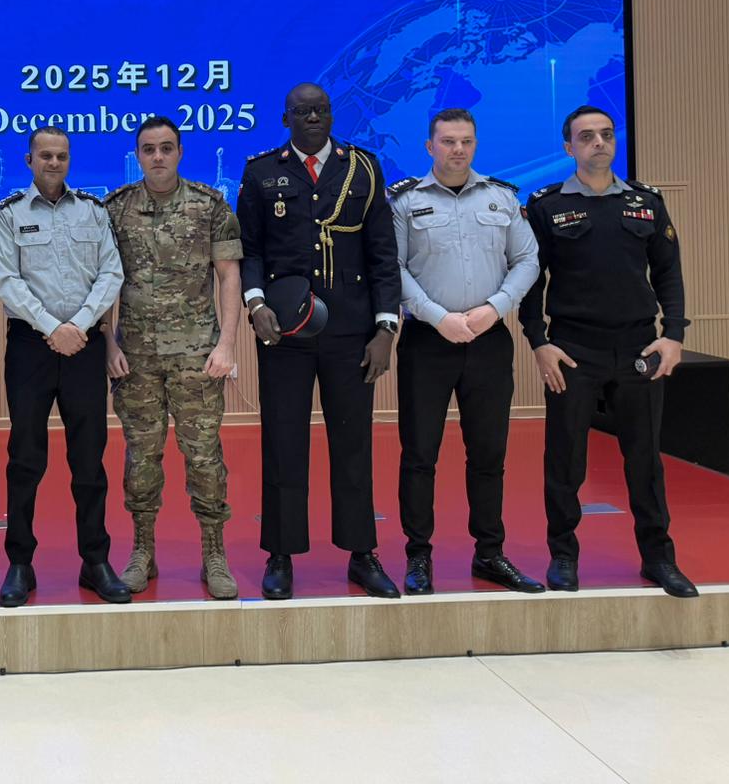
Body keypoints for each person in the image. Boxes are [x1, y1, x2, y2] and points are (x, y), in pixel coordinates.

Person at [519, 105, 697, 598]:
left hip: (640, 347)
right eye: (586, 136)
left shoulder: (646, 202)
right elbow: (530, 279)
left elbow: (668, 272)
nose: (598, 142)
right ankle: (563, 556)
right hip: (573, 349)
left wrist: (673, 334)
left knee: (645, 460)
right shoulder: (547, 205)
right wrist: (539, 342)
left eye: (606, 134)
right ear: (568, 147)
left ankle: (659, 558)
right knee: (566, 459)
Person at [239, 83, 402, 601]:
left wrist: (386, 328)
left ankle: (362, 553)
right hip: (284, 330)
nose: (313, 117)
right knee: (283, 442)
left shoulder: (364, 168)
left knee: (352, 445)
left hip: (352, 332)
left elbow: (382, 252)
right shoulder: (261, 172)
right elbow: (251, 250)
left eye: (321, 110)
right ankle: (281, 553)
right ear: (285, 118)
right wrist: (255, 305)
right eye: (302, 111)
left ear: (331, 115)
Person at [389, 108, 542, 596]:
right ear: (429, 146)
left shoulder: (502, 197)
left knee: (489, 453)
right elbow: (392, 267)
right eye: (448, 141)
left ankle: (490, 552)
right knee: (419, 454)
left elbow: (527, 259)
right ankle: (418, 555)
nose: (458, 149)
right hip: (427, 341)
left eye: (466, 141)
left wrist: (495, 309)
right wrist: (438, 317)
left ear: (475, 144)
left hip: (488, 339)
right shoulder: (405, 201)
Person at [0, 126, 130, 607]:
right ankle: (20, 563)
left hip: (84, 346)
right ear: (29, 160)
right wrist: (54, 327)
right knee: (25, 458)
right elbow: (7, 280)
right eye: (45, 155)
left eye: (61, 156)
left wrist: (80, 325)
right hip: (31, 345)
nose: (54, 163)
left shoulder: (92, 211)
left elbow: (111, 272)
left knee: (89, 459)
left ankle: (96, 561)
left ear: (69, 160)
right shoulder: (9, 213)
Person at [104, 117, 242, 599]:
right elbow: (105, 282)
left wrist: (227, 344)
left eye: (166, 148)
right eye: (149, 149)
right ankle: (142, 549)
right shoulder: (116, 209)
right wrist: (109, 344)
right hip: (136, 358)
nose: (158, 156)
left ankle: (214, 553)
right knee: (141, 458)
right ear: (138, 155)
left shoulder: (210, 205)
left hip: (197, 357)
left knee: (203, 456)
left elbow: (228, 276)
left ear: (180, 152)